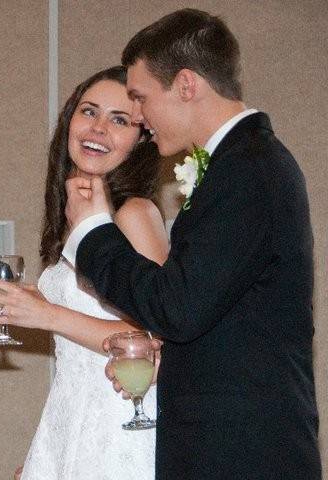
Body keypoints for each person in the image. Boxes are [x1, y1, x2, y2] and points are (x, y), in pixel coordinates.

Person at [62, 9, 320, 480]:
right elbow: (205, 311)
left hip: (241, 455)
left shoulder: (250, 170)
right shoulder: (239, 164)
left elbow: (176, 307)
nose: (139, 116)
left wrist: (91, 232)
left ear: (186, 85)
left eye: (140, 98)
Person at [0, 66, 169, 480]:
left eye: (120, 120)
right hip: (69, 423)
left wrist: (45, 315)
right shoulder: (72, 217)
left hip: (120, 427)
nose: (98, 128)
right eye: (89, 112)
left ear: (141, 140)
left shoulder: (135, 213)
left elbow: (155, 340)